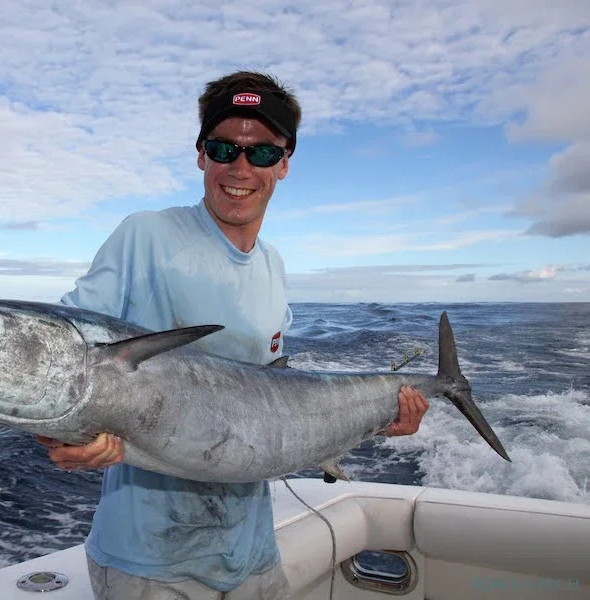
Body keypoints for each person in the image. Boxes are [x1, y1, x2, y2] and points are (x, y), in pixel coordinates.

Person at [37, 71, 430, 599]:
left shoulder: (273, 265)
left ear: (284, 163)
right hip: (150, 561)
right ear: (201, 155)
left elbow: (274, 406)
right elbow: (61, 357)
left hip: (253, 554)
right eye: (224, 148)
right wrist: (60, 437)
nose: (240, 168)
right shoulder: (145, 235)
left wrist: (381, 420)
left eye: (261, 152)